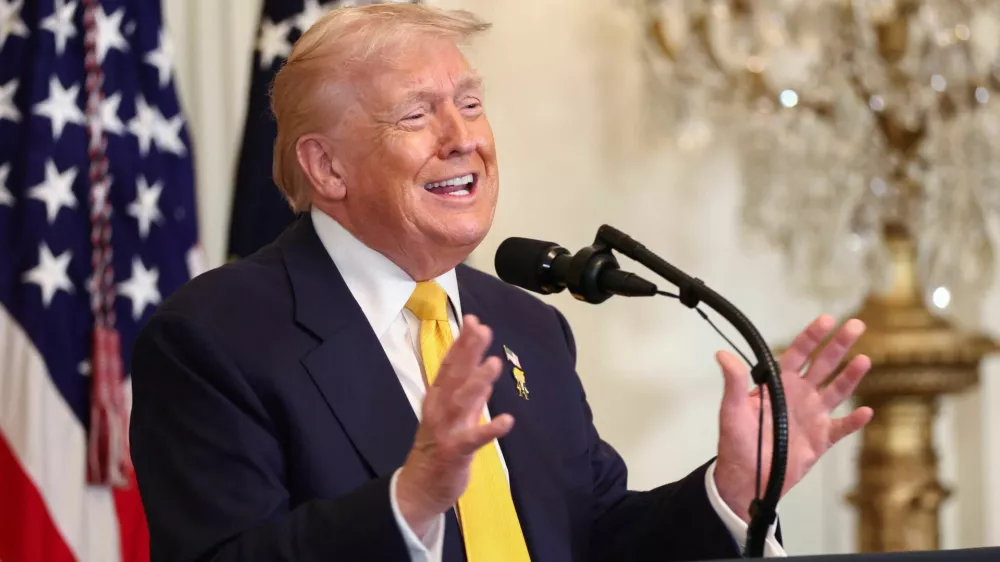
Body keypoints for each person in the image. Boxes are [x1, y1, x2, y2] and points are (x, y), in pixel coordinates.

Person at [129, 4, 874, 561]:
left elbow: (597, 538)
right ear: (327, 168)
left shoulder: (527, 326)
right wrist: (407, 503)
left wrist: (734, 489)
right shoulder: (216, 337)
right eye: (417, 114)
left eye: (472, 104)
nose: (465, 139)